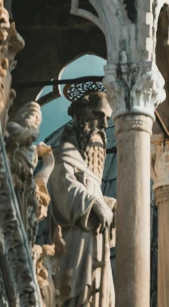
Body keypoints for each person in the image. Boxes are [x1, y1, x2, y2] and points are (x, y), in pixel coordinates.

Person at [48, 87, 115, 306]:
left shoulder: (88, 161)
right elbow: (62, 186)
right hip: (77, 236)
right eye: (99, 116)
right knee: (78, 292)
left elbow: (92, 191)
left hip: (95, 237)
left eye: (107, 117)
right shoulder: (65, 155)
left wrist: (108, 205)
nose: (105, 124)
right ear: (82, 116)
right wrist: (93, 203)